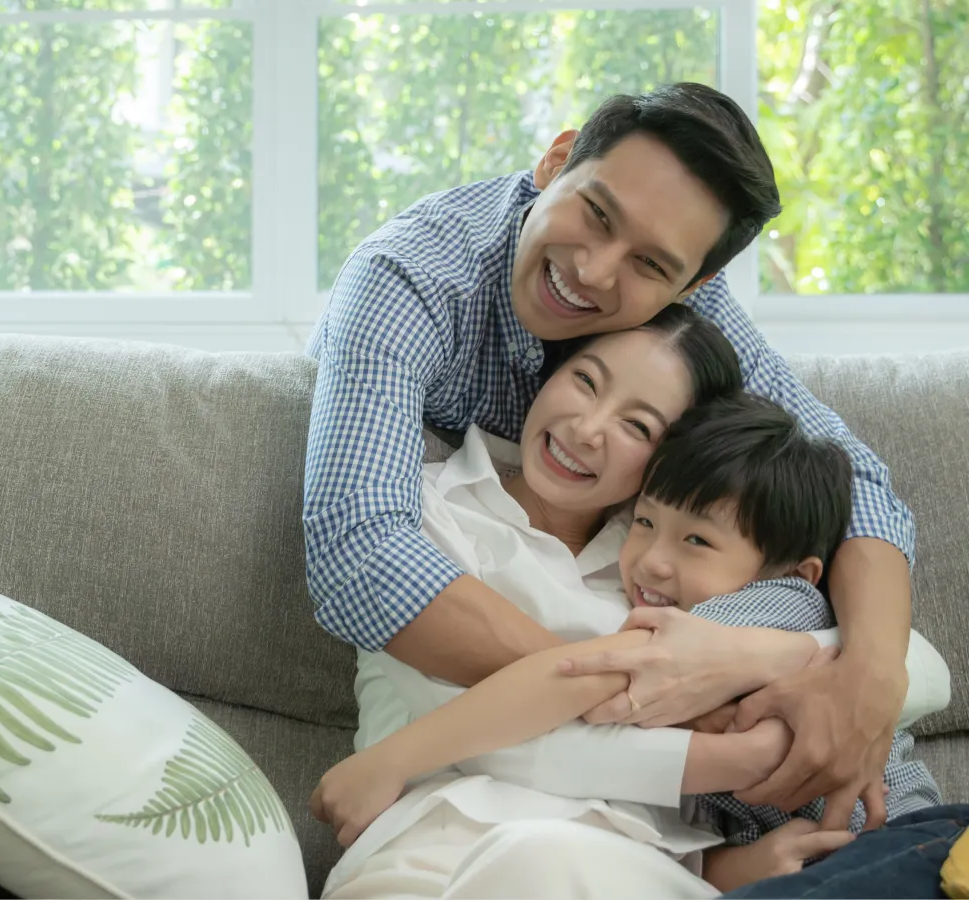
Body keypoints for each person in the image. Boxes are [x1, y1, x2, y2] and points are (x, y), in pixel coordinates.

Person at [304, 81, 918, 831]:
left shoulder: (683, 308)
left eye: (652, 266)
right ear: (556, 159)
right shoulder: (411, 277)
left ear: (698, 283)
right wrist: (652, 690)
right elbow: (358, 546)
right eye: (595, 213)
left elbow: (849, 478)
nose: (595, 271)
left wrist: (872, 677)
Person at [310, 392, 944, 897]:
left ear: (793, 570)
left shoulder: (768, 608)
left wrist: (390, 761)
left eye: (696, 542)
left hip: (897, 848)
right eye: (644, 523)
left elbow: (581, 675)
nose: (651, 562)